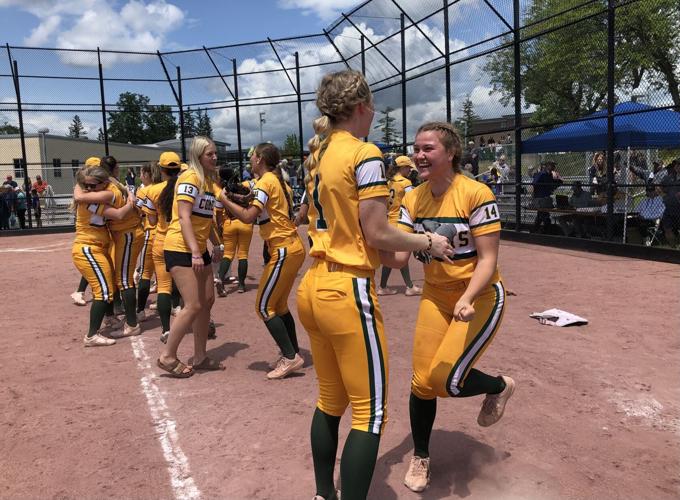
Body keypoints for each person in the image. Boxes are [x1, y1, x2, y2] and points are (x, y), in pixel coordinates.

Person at [295, 70, 453, 500]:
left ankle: (323, 494)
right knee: (370, 414)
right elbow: (378, 233)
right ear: (362, 106)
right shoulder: (364, 152)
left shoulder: (321, 151)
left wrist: (404, 246)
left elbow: (370, 237)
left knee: (330, 401)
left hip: (314, 286)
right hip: (347, 290)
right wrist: (428, 241)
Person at [379, 121, 515, 493]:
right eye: (416, 149)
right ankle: (421, 456)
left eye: (428, 149)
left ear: (450, 152)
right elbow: (399, 258)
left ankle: (499, 386)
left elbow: (487, 260)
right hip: (436, 296)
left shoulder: (475, 192)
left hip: (480, 294)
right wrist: (369, 236)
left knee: (447, 381)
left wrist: (468, 298)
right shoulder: (412, 197)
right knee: (422, 382)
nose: (419, 156)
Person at [222, 143, 305, 379]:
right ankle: (293, 353)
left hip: (283, 248)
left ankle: (290, 357)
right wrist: (236, 195)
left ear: (259, 159)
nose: (251, 160)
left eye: (253, 157)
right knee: (278, 306)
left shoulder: (266, 181)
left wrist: (224, 199)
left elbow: (248, 216)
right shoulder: (276, 180)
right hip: (290, 246)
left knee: (263, 306)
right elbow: (252, 200)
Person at [158, 138, 226, 378]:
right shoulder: (190, 178)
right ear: (198, 156)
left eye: (215, 153)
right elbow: (185, 218)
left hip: (198, 249)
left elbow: (204, 219)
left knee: (207, 300)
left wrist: (215, 243)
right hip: (181, 248)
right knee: (193, 304)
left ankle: (200, 356)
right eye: (210, 154)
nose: (215, 157)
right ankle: (167, 356)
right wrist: (196, 252)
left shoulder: (207, 180)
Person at [74, 156, 144, 338]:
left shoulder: (104, 193)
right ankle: (117, 317)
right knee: (116, 281)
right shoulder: (112, 186)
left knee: (124, 280)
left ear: (103, 180)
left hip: (127, 234)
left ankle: (131, 324)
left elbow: (80, 195)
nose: (88, 188)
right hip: (119, 236)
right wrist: (130, 199)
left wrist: (130, 201)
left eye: (92, 185)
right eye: (86, 184)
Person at [142, 152, 183, 343]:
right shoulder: (184, 187)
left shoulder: (151, 190)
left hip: (160, 240)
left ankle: (166, 329)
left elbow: (150, 219)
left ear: (161, 169)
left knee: (163, 287)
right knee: (186, 285)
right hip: (180, 241)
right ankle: (188, 316)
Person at [377, 155, 422, 297]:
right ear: (402, 167)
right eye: (408, 167)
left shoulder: (388, 182)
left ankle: (383, 287)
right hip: (401, 223)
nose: (410, 170)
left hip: (389, 222)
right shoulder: (405, 182)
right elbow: (413, 202)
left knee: (392, 257)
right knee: (401, 256)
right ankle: (409, 287)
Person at [216, 167, 255, 295]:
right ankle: (241, 285)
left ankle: (220, 279)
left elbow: (218, 211)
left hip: (229, 223)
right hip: (245, 224)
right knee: (243, 255)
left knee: (228, 254)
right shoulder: (244, 187)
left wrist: (220, 225)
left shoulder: (224, 191)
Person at [134, 162, 162, 318]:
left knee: (145, 273)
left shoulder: (144, 191)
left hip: (151, 232)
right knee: (166, 274)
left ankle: (140, 311)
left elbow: (138, 211)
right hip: (167, 234)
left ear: (146, 174)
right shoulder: (167, 187)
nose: (140, 176)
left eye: (141, 173)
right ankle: (173, 304)